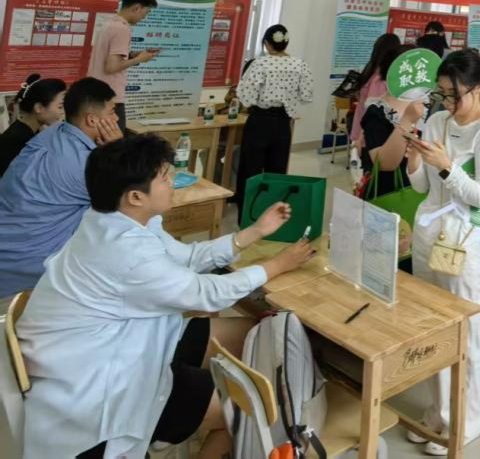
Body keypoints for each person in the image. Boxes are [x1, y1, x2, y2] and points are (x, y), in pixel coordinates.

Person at [18, 133, 314, 459]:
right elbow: (205, 293)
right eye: (164, 178)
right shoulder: (126, 252)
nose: (172, 183)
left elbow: (187, 258)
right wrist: (276, 265)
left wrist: (255, 231)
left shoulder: (117, 221)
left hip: (133, 343)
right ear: (135, 196)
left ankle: (191, 424)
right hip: (106, 386)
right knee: (250, 413)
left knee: (251, 333)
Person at [403, 50, 480, 454]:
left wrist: (447, 166)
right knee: (433, 328)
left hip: (464, 241)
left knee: (467, 333)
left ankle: (467, 419)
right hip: (429, 233)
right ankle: (439, 411)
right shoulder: (437, 121)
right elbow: (421, 188)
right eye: (442, 93)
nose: (447, 102)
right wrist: (415, 161)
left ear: (479, 87)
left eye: (454, 94)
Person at [0, 77, 122, 299]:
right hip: (29, 269)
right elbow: (130, 198)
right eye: (112, 112)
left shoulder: (52, 134)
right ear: (92, 119)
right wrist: (118, 149)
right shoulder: (86, 164)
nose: (117, 118)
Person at [234, 24, 313, 207]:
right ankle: (272, 211)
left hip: (259, 121)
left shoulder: (259, 63)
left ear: (266, 44)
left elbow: (246, 97)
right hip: (283, 123)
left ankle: (247, 212)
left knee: (251, 170)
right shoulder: (300, 64)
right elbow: (306, 96)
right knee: (277, 171)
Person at [87, 0, 158, 132]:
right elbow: (111, 67)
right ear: (136, 8)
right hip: (111, 98)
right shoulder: (122, 29)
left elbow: (109, 57)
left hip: (96, 95)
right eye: (146, 12)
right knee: (114, 142)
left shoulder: (109, 24)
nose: (144, 17)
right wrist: (140, 59)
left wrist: (132, 55)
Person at [358, 44, 420, 199]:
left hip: (423, 190)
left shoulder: (425, 104)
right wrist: (407, 120)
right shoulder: (377, 111)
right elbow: (384, 164)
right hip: (390, 195)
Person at [0, 73, 67, 177]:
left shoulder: (30, 131)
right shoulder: (18, 139)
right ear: (39, 108)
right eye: (60, 107)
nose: (62, 112)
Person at [349, 31, 402, 146]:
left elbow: (361, 96)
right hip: (369, 131)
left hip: (361, 125)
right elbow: (372, 108)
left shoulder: (370, 69)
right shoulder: (383, 78)